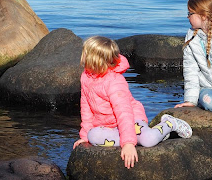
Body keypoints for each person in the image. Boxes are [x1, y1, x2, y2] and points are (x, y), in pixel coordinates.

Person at [73, 36, 192, 169]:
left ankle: (169, 123)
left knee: (148, 141)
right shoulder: (86, 77)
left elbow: (124, 113)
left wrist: (128, 144)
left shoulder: (114, 82)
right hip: (108, 125)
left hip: (131, 119)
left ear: (94, 60)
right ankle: (131, 137)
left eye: (85, 54)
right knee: (92, 136)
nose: (82, 58)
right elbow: (86, 107)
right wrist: (84, 135)